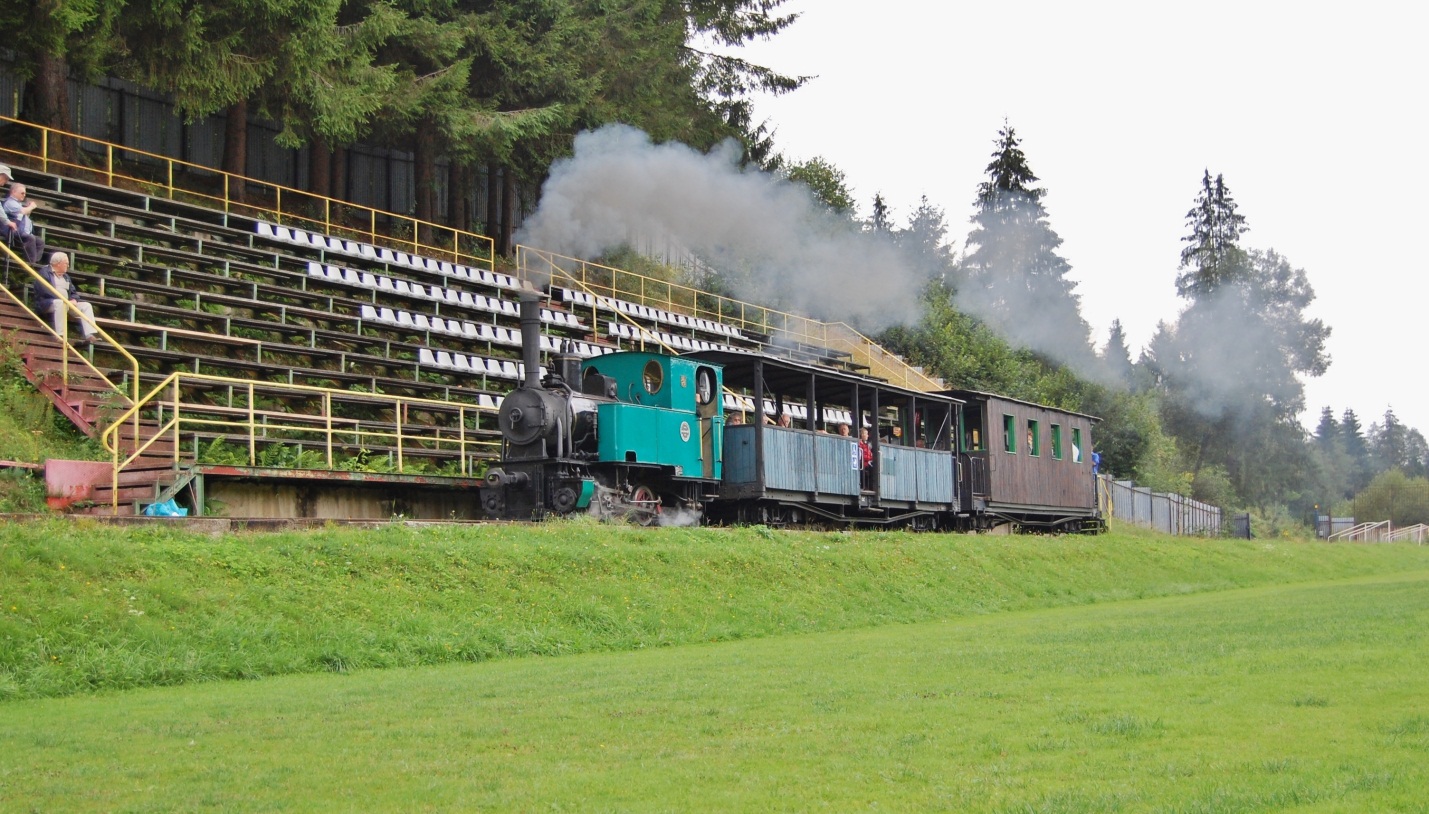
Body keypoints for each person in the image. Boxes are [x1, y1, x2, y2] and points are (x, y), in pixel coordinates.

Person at [34, 252, 97, 346]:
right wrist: (65, 301)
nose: (68, 265)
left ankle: (89, 334)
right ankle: (61, 335)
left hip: (66, 303)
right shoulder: (44, 273)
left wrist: (74, 299)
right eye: (66, 263)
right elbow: (45, 292)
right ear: (58, 264)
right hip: (48, 303)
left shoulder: (66, 277)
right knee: (60, 303)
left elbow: (73, 292)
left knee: (86, 306)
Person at [2, 183, 44, 264]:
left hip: (22, 231)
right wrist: (31, 207)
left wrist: (29, 209)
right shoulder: (10, 202)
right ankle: (30, 263)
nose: (24, 195)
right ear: (14, 192)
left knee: (40, 242)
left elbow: (23, 215)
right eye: (22, 193)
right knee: (31, 239)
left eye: (25, 193)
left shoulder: (18, 204)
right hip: (13, 231)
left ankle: (34, 262)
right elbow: (22, 211)